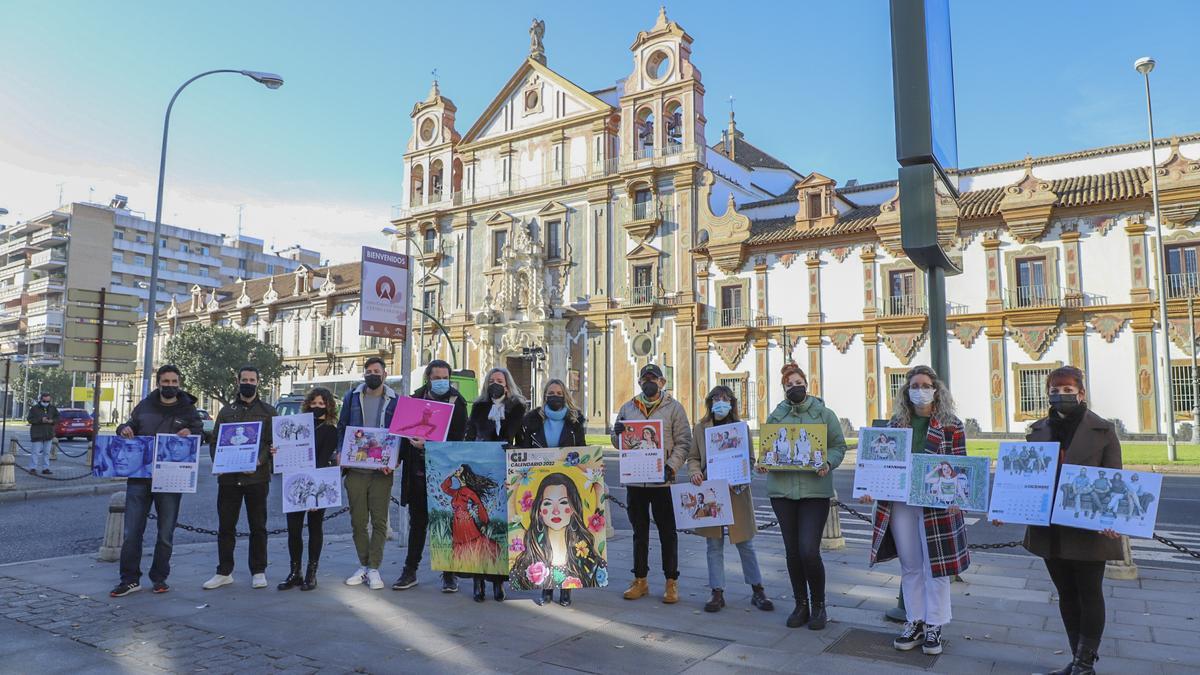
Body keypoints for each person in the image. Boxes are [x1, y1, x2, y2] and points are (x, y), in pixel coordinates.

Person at [993, 366, 1122, 675]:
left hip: (1088, 526)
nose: (1061, 396)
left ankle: (1084, 662)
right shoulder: (1037, 431)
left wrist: (1111, 516)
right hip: (1048, 526)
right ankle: (1077, 662)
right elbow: (1023, 478)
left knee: (1090, 593)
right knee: (1066, 593)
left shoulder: (1103, 430)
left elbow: (1114, 479)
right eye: (1055, 390)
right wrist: (1005, 506)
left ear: (1081, 393)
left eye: (1068, 391)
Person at [861, 365, 968, 656]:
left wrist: (959, 494)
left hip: (936, 504)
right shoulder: (895, 426)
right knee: (910, 565)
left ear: (936, 389)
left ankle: (935, 623)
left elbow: (961, 466)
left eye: (925, 385)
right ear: (906, 391)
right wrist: (869, 487)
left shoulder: (951, 425)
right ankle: (915, 620)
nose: (920, 390)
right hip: (901, 502)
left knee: (937, 566)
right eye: (914, 386)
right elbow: (878, 464)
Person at [763, 364, 846, 630]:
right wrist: (763, 462)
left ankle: (819, 605)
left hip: (814, 491)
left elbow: (838, 446)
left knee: (809, 551)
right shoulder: (777, 415)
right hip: (782, 492)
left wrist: (829, 463)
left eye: (798, 382)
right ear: (784, 389)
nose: (794, 387)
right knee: (792, 552)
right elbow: (768, 447)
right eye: (789, 384)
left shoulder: (824, 414)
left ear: (806, 384)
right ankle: (801, 604)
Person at [108, 365, 202, 597]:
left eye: (174, 382)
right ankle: (129, 579)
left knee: (166, 533)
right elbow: (127, 425)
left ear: (179, 384)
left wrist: (191, 433)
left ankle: (160, 578)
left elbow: (201, 433)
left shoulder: (188, 409)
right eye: (165, 381)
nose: (170, 385)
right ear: (158, 382)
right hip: (140, 477)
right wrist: (125, 428)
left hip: (171, 478)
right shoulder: (145, 405)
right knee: (132, 532)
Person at [685, 385, 773, 614]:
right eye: (716, 398)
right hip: (711, 491)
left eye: (725, 398)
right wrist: (694, 472)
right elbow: (693, 457)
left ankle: (757, 589)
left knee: (746, 543)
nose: (720, 402)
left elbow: (750, 459)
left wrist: (742, 476)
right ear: (710, 402)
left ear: (732, 403)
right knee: (713, 544)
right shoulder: (700, 428)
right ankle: (717, 591)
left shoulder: (741, 428)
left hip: (736, 491)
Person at [610, 363, 691, 604]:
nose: (649, 382)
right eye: (645, 378)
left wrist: (671, 466)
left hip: (662, 482)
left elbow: (683, 442)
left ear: (662, 382)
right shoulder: (628, 408)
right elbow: (618, 442)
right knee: (639, 532)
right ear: (639, 382)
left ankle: (671, 581)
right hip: (636, 483)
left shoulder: (674, 408)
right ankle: (640, 580)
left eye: (653, 378)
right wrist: (616, 435)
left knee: (668, 533)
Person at [392, 360, 468, 593]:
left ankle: (449, 574)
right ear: (428, 379)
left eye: (445, 376)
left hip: (445, 476)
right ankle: (410, 570)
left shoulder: (458, 402)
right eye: (437, 377)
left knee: (445, 523)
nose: (441, 381)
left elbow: (458, 439)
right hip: (417, 474)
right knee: (418, 524)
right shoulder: (414, 401)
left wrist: (430, 444)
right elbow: (402, 435)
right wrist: (395, 458)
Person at [515, 379, 588, 606]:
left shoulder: (576, 420)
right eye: (550, 393)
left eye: (558, 393)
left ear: (564, 395)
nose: (554, 396)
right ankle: (545, 587)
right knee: (542, 532)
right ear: (544, 396)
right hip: (539, 480)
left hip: (565, 481)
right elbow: (524, 447)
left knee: (567, 534)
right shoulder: (531, 420)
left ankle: (566, 587)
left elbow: (583, 449)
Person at [204, 365, 276, 591]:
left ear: (258, 382)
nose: (248, 383)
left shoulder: (268, 411)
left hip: (257, 477)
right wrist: (219, 462)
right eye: (244, 379)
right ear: (238, 382)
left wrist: (260, 461)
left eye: (252, 379)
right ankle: (224, 571)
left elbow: (271, 443)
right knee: (226, 526)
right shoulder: (226, 411)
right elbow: (215, 441)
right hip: (229, 479)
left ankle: (258, 571)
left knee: (258, 526)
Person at [465, 366, 527, 602]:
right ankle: (478, 580)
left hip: (506, 472)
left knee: (500, 528)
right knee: (478, 525)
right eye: (492, 380)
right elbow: (470, 436)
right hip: (480, 470)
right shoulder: (479, 407)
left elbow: (523, 440)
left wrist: (515, 450)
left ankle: (499, 581)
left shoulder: (518, 408)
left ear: (507, 384)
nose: (496, 383)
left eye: (499, 380)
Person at [338, 356, 399, 591]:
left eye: (376, 371)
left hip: (381, 470)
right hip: (355, 468)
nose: (372, 374)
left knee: (380, 521)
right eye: (368, 371)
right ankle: (363, 565)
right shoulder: (352, 397)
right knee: (358, 521)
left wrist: (395, 460)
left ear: (384, 375)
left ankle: (374, 567)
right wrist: (339, 452)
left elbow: (400, 434)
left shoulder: (395, 401)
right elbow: (342, 427)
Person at [275, 387, 339, 592]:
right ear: (308, 404)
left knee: (314, 528)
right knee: (293, 530)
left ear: (328, 406)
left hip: (316, 484)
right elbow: (285, 454)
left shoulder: (330, 430)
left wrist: (313, 497)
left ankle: (312, 573)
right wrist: (277, 450)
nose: (317, 407)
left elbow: (321, 460)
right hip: (294, 482)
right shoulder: (297, 426)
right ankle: (295, 572)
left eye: (322, 404)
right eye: (314, 403)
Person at [509, 472, 606, 605]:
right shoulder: (532, 550)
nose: (555, 511)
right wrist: (512, 482)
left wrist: (597, 475)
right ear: (539, 510)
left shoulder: (584, 552)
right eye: (548, 504)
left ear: (573, 508)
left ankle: (566, 590)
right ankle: (546, 589)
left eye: (563, 502)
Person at [26, 393, 59, 475]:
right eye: (44, 401)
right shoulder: (34, 408)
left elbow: (58, 417)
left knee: (47, 452)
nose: (46, 402)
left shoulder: (52, 408)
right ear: (40, 400)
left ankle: (46, 468)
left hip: (48, 434)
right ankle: (32, 468)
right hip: (37, 434)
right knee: (35, 452)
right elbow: (30, 419)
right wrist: (41, 420)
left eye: (48, 401)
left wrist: (52, 421)